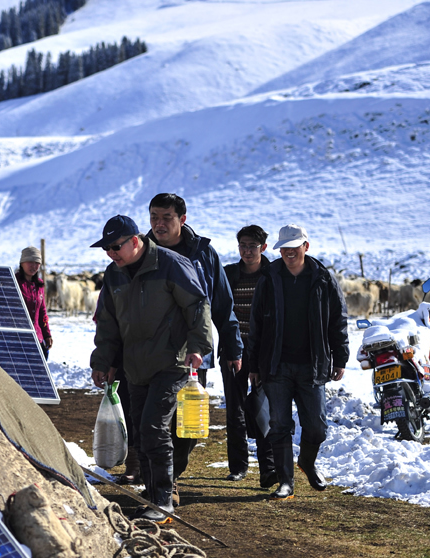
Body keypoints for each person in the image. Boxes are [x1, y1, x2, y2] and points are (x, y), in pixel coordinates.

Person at [90, 214, 213, 521]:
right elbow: (107, 323)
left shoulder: (171, 265)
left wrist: (198, 346)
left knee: (154, 428)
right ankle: (152, 490)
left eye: (115, 246)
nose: (111, 253)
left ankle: (163, 498)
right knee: (140, 432)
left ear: (135, 241)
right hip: (135, 365)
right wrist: (103, 361)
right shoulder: (114, 274)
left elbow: (198, 307)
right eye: (106, 248)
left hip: (171, 361)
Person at [145, 193, 243, 489]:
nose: (159, 224)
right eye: (154, 217)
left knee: (188, 425)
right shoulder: (140, 251)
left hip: (192, 352)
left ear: (182, 219)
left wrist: (233, 346)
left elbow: (222, 303)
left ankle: (169, 476)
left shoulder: (203, 254)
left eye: (166, 218)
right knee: (150, 421)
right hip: (147, 351)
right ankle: (160, 484)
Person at [247, 224, 349, 500]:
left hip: (312, 364)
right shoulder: (269, 277)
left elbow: (338, 320)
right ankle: (285, 482)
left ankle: (307, 461)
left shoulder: (323, 278)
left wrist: (340, 357)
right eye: (285, 249)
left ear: (306, 246)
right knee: (279, 424)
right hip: (275, 364)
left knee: (316, 426)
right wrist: (253, 364)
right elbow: (255, 323)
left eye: (295, 247)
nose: (289, 253)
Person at [223, 226, 276, 487]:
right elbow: (220, 310)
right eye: (243, 245)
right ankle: (238, 466)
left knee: (262, 407)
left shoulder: (274, 274)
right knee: (235, 408)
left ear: (263, 248)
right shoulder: (229, 274)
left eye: (252, 246)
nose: (247, 251)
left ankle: (268, 467)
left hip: (263, 353)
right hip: (233, 350)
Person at [16, 246, 52, 359]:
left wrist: (47, 335)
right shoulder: (14, 282)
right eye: (30, 262)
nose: (34, 266)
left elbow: (42, 312)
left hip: (37, 337)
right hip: (19, 338)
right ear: (22, 263)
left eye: (37, 262)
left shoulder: (39, 285)